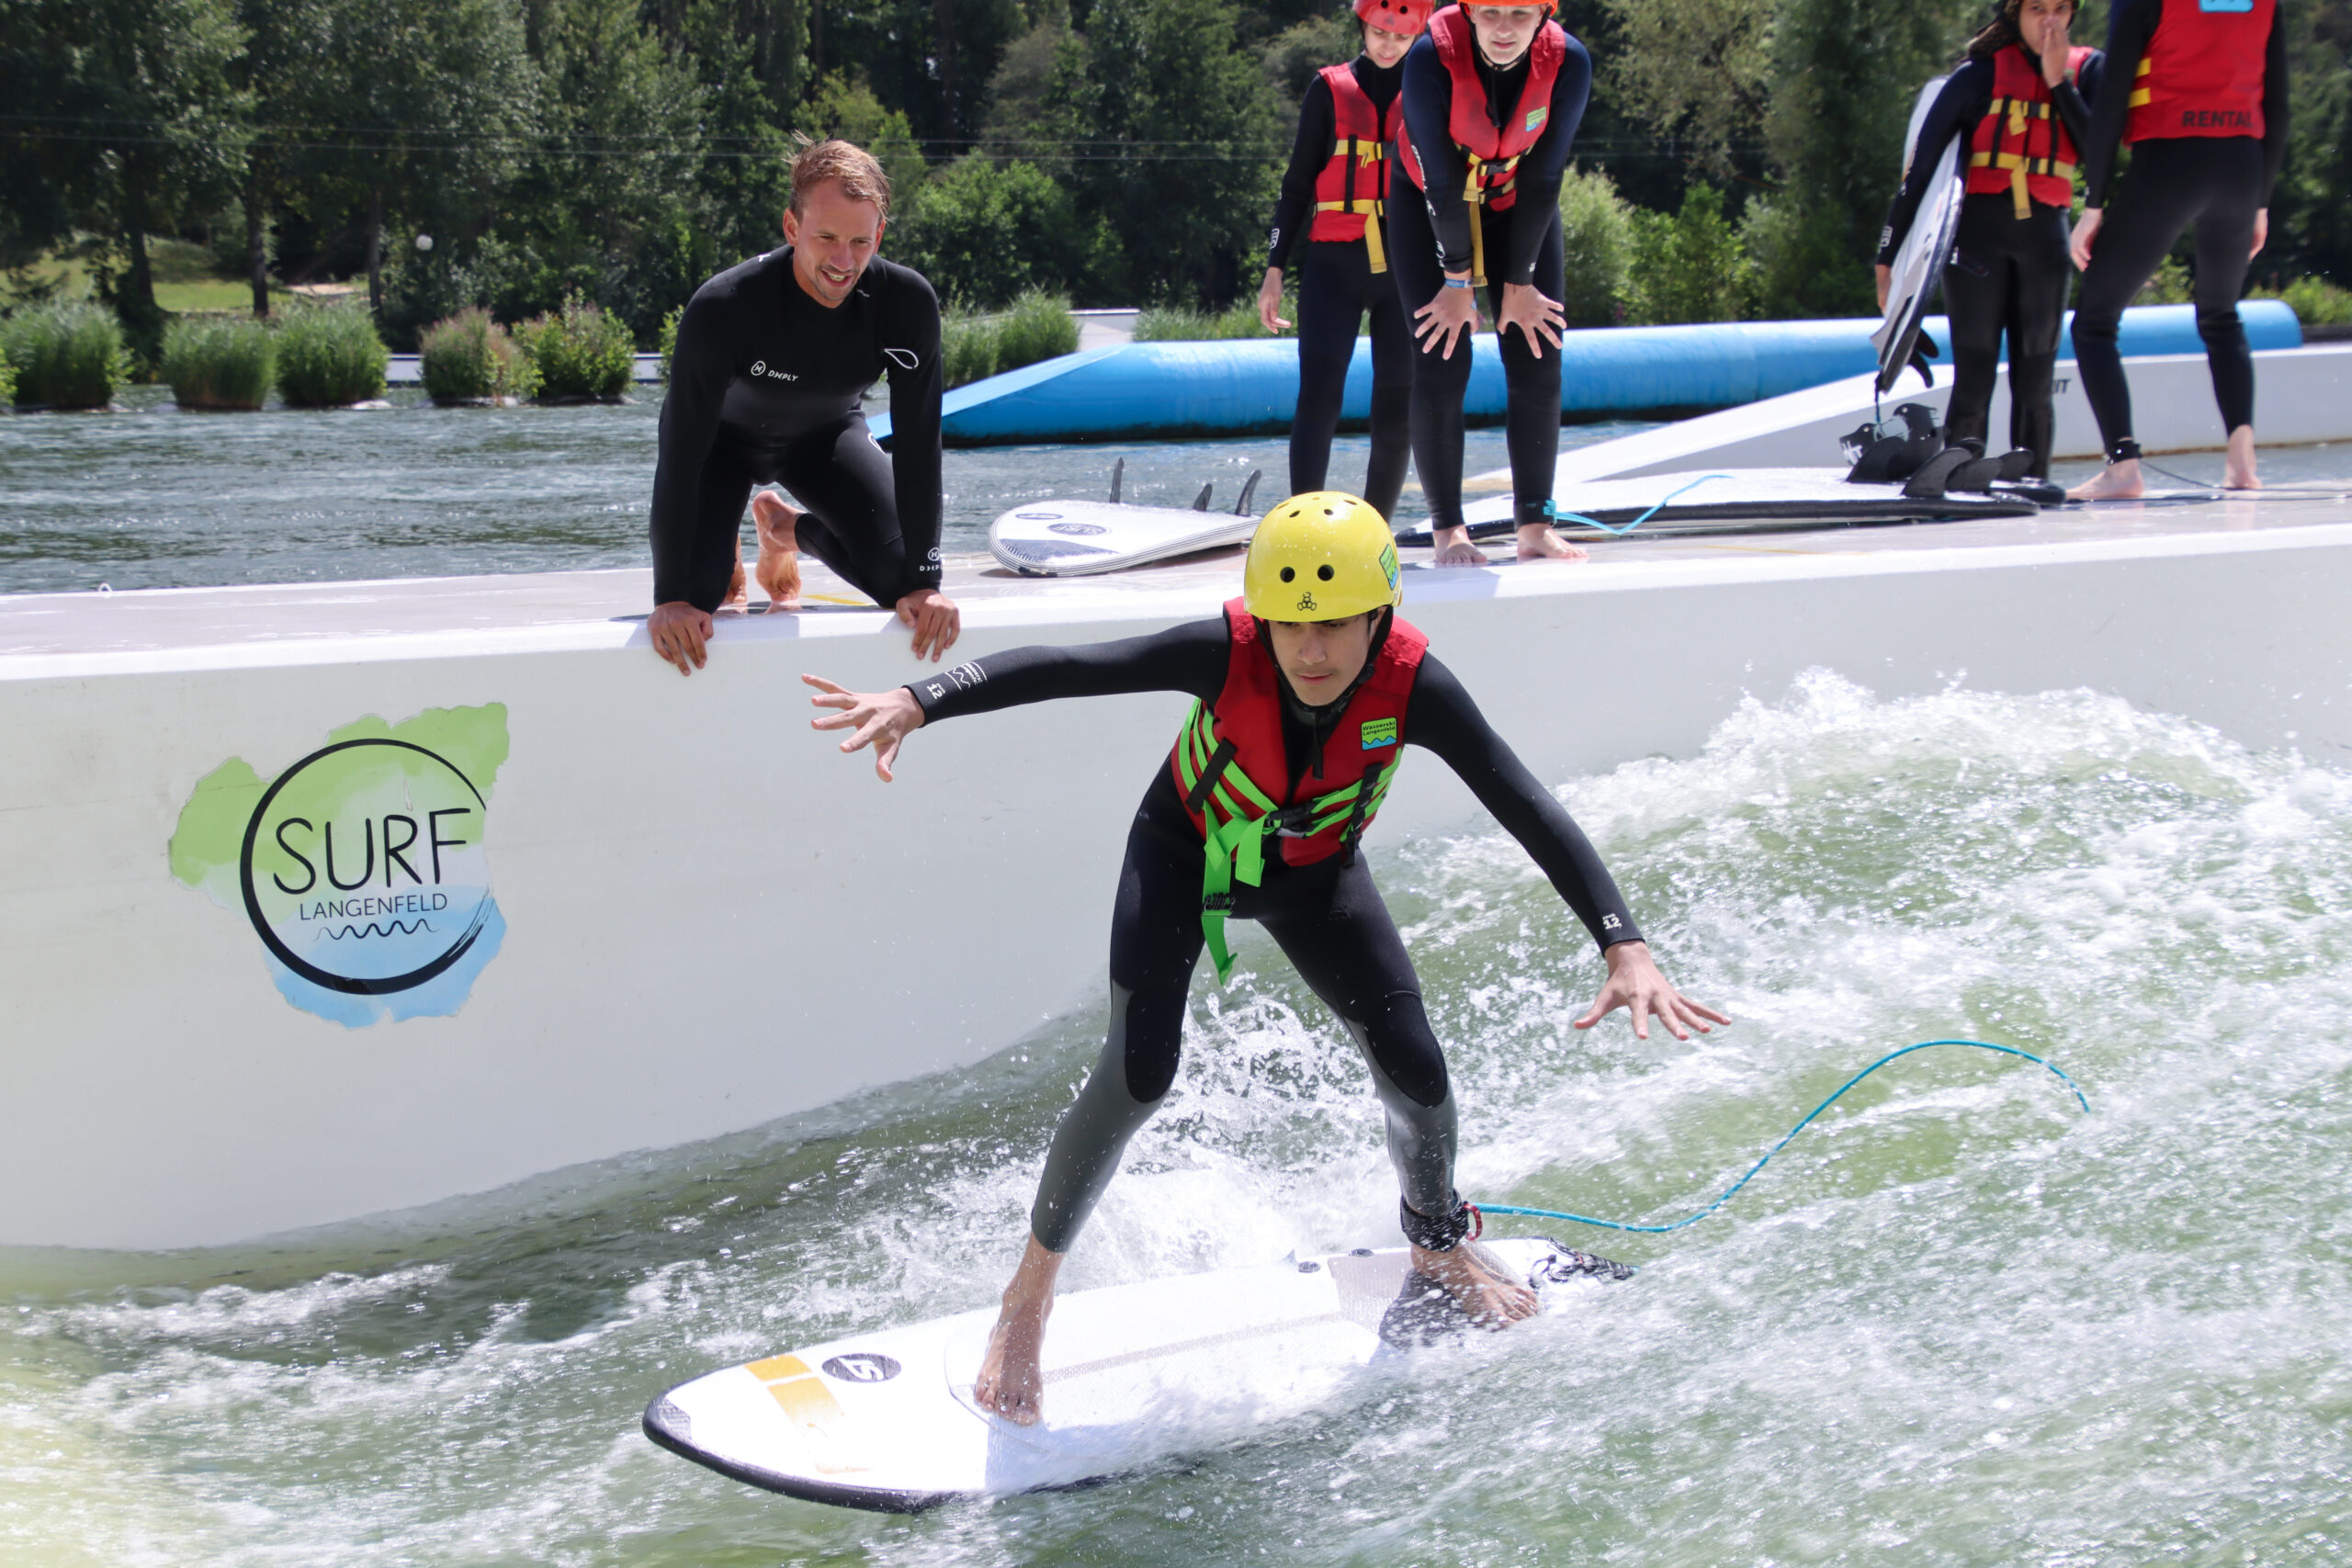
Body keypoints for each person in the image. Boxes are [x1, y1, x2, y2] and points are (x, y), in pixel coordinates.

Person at [805, 492, 1727, 1425]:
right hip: (1180, 857)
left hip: (1315, 877)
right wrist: (922, 699)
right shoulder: (1224, 652)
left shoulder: (1416, 687)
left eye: (1333, 628)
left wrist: (1623, 943)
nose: (1310, 653)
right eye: (1289, 628)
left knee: (1416, 1065)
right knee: (1138, 1074)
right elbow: (1071, 667)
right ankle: (1028, 1296)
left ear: (1379, 616)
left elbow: (1522, 800)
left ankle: (1438, 1241)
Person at [646, 138, 961, 675]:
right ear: (793, 229)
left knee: (896, 582)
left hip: (825, 438)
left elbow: (917, 443)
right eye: (827, 238)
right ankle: (726, 558)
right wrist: (670, 596)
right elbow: (680, 452)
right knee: (700, 594)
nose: (844, 262)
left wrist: (926, 584)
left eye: (861, 241)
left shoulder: (906, 304)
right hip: (720, 446)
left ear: (879, 234)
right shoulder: (725, 307)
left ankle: (784, 531)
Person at [1392, 1, 1592, 567]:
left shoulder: (1570, 62)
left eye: (1521, 16)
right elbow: (1440, 175)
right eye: (1493, 14)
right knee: (1439, 353)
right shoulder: (1431, 56)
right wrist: (1458, 281)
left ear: (1544, 17)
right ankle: (1448, 528)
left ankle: (1533, 523)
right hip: (1427, 199)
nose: (1505, 30)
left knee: (1538, 348)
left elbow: (1546, 174)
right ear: (1470, 12)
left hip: (1516, 205)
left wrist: (1520, 282)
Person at [2065, 0, 2287, 499]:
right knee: (2221, 315)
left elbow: (2114, 97)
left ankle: (2123, 468)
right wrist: (2261, 203)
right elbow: (2279, 104)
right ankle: (2242, 461)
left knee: (2094, 323)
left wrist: (2095, 203)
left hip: (2171, 160)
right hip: (2242, 166)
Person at [1875, 0, 2105, 479]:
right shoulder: (1975, 77)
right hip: (1977, 245)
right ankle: (1958, 477)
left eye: (2061, 9)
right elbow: (1916, 177)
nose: (2049, 21)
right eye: (2037, 7)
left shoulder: (2087, 74)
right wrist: (1887, 259)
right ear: (2012, 13)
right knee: (1974, 378)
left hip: (2046, 245)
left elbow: (2102, 160)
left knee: (2036, 382)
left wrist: (2058, 79)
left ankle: (2033, 479)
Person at [1258, 0, 1433, 523]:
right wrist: (1273, 271)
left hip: (1405, 271)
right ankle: (1301, 526)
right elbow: (1295, 188)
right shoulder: (1328, 89)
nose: (1388, 45)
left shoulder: (1428, 91)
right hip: (1333, 269)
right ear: (1363, 25)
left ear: (1417, 37)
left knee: (1396, 408)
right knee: (1319, 400)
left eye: (1401, 38)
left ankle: (1377, 532)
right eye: (1381, 32)